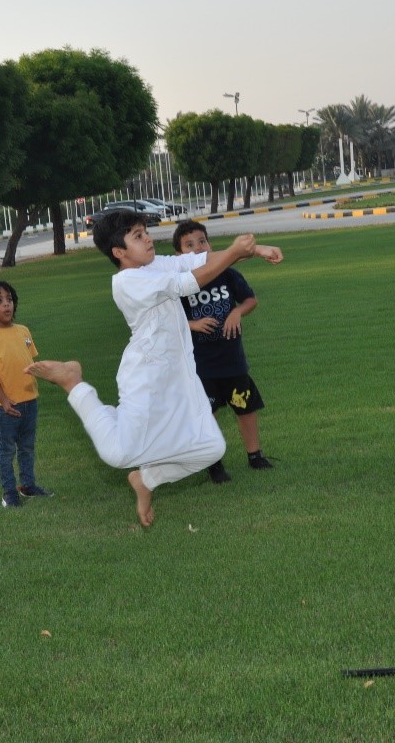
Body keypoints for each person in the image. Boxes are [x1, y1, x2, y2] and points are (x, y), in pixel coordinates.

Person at [28, 210, 283, 526]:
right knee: (118, 454)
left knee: (210, 448)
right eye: (137, 236)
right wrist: (234, 251)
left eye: (144, 232)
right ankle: (73, 383)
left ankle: (146, 480)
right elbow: (188, 282)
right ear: (119, 253)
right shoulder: (127, 281)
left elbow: (197, 261)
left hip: (181, 379)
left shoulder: (153, 265)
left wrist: (254, 250)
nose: (147, 238)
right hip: (146, 379)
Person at [172, 220, 273, 483]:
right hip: (201, 365)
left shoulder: (227, 274)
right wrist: (193, 324)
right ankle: (214, 465)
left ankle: (255, 456)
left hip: (232, 360)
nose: (196, 249)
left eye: (202, 242)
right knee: (207, 414)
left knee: (245, 408)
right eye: (188, 245)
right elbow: (168, 320)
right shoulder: (180, 285)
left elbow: (250, 300)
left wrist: (237, 312)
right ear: (178, 255)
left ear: (210, 246)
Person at [0, 280, 52, 508]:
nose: (6, 305)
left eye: (9, 300)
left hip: (30, 401)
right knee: (7, 449)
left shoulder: (23, 331)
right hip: (7, 406)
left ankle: (28, 485)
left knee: (27, 447)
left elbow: (30, 361)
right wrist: (4, 400)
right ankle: (9, 492)